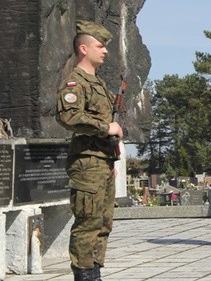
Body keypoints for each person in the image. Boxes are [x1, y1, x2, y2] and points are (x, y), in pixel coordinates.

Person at [56, 20, 123, 280]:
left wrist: (111, 158)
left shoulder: (98, 83)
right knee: (87, 222)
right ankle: (83, 273)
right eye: (100, 46)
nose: (105, 51)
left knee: (103, 221)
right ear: (83, 49)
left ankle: (94, 271)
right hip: (87, 162)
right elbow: (69, 117)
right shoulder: (75, 82)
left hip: (102, 160)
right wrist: (106, 127)